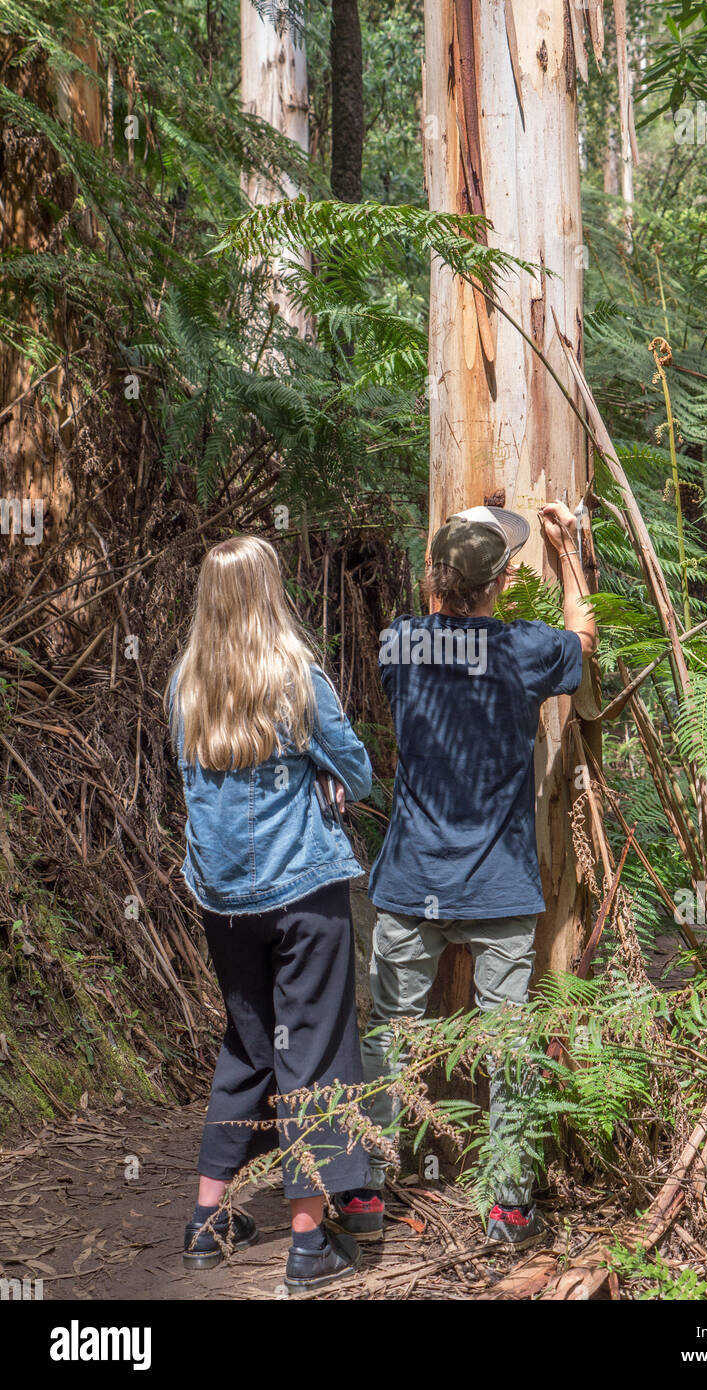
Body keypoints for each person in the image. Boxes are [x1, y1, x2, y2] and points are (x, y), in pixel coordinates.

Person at [331, 501, 598, 1248]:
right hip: (500, 887)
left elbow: (438, 609)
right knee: (510, 1045)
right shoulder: (525, 651)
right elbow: (585, 637)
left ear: (433, 582)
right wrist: (569, 549)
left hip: (411, 883)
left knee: (390, 1036)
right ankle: (510, 1206)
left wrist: (458, 547)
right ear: (502, 586)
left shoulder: (400, 645)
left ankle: (366, 1192)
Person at [167, 535, 373, 1292]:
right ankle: (308, 1245)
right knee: (313, 1058)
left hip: (223, 907)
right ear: (269, 594)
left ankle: (206, 1221)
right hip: (302, 897)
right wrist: (325, 775)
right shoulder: (296, 680)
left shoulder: (184, 684)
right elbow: (360, 771)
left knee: (251, 1048)